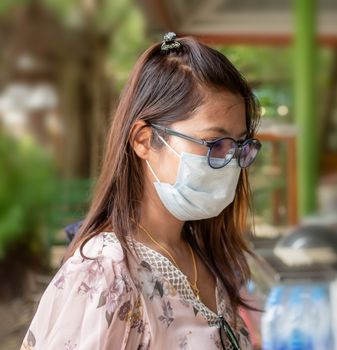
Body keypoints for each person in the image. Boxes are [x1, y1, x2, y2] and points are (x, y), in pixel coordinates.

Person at [21, 32, 262, 350]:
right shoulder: (105, 273)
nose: (230, 162)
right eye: (215, 144)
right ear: (144, 140)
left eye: (240, 145)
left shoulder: (203, 254)